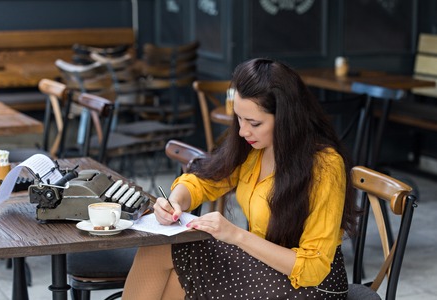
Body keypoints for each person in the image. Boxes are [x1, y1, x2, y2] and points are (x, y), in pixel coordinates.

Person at [122, 58, 358, 299]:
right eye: (239, 119)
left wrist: (235, 235)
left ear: (287, 118)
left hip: (313, 286)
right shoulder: (253, 148)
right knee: (167, 261)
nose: (243, 131)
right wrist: (175, 203)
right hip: (263, 264)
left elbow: (313, 268)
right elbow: (204, 181)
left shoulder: (325, 165)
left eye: (254, 122)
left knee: (166, 255)